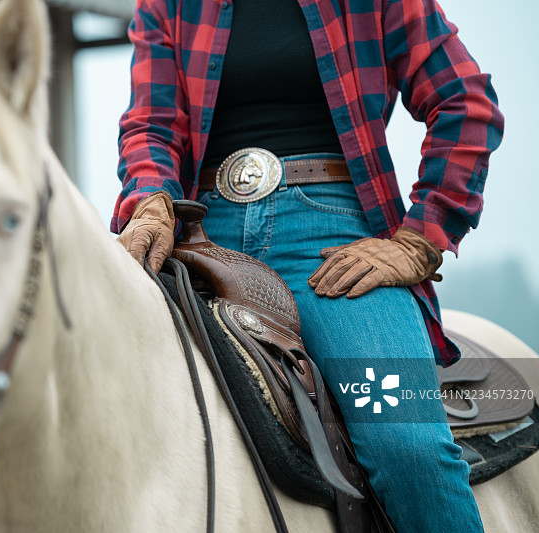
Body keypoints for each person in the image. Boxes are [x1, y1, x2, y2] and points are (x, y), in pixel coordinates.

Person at [111, 0, 503, 531]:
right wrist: (151, 197)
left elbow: (465, 102)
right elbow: (150, 125)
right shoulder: (167, 6)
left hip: (335, 242)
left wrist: (420, 239)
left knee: (407, 446)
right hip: (202, 236)